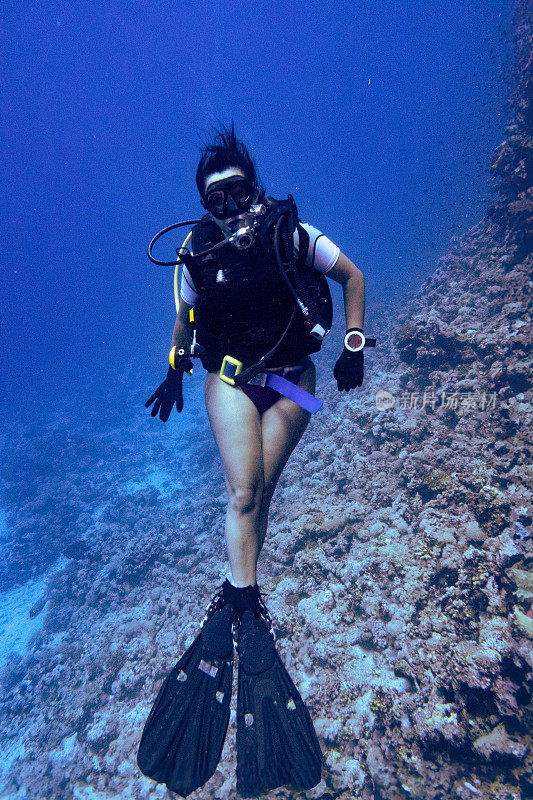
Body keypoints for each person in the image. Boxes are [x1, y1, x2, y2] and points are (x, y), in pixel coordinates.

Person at [137, 125, 371, 799]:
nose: (233, 211)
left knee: (261, 487)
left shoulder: (292, 232)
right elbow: (184, 318)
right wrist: (174, 370)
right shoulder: (193, 253)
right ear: (204, 209)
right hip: (231, 379)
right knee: (243, 492)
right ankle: (241, 597)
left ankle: (240, 591)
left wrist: (351, 342)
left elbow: (350, 276)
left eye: (240, 194)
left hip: (296, 380)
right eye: (219, 202)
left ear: (257, 190)